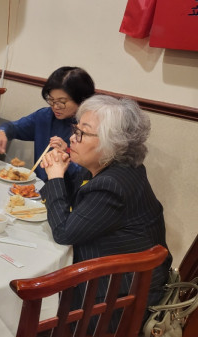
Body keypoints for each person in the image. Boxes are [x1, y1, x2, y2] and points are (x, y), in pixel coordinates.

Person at [40, 94, 171, 324]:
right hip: (123, 282)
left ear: (112, 144)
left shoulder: (112, 185)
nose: (72, 138)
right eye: (75, 129)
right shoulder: (108, 166)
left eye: (82, 133)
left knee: (33, 297)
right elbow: (76, 199)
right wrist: (61, 172)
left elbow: (63, 232)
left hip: (118, 301)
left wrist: (55, 177)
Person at [0, 66, 95, 181]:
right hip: (38, 187)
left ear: (81, 100)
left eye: (61, 102)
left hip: (66, 190)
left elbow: (86, 176)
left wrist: (66, 154)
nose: (55, 107)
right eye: (51, 100)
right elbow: (13, 127)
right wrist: (1, 132)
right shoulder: (45, 116)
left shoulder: (91, 129)